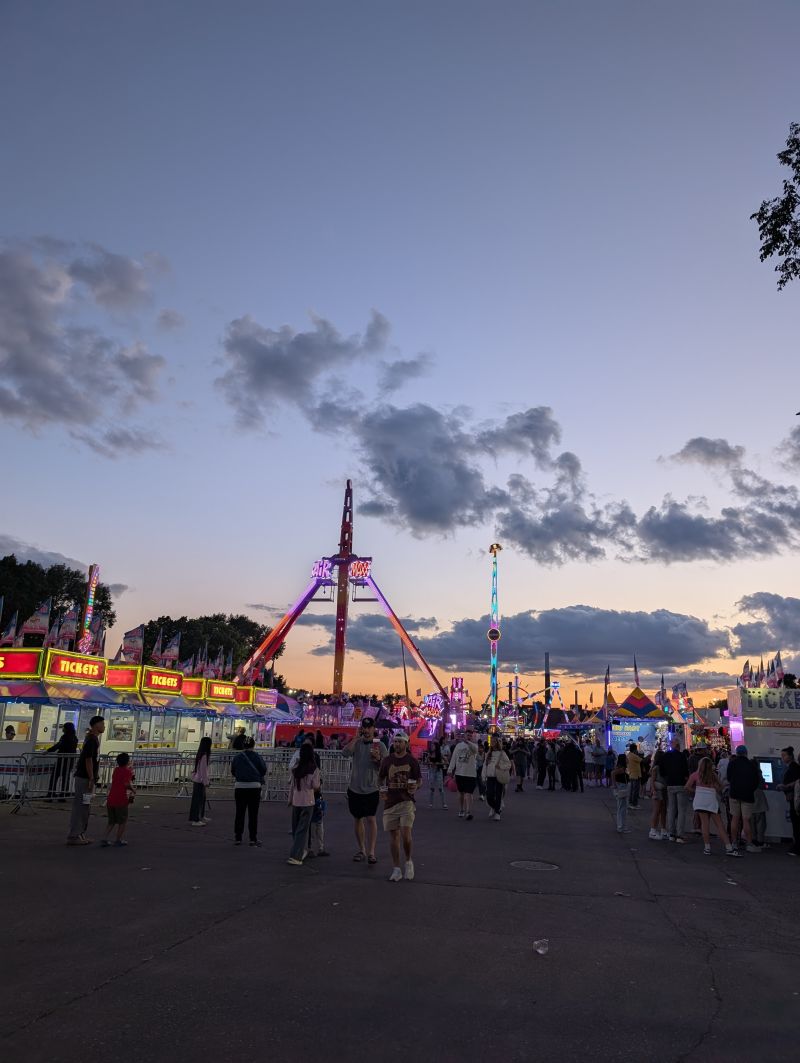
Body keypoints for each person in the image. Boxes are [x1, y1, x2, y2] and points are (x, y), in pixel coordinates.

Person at [342, 717, 387, 865]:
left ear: (374, 729)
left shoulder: (380, 745)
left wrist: (378, 759)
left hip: (372, 788)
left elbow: (386, 768)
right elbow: (345, 753)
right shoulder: (358, 743)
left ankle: (371, 852)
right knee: (358, 819)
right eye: (364, 727)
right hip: (354, 788)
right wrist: (355, 738)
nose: (366, 730)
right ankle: (361, 849)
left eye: (369, 728)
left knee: (371, 819)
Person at [378, 732, 422, 882]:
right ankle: (396, 868)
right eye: (395, 741)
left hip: (406, 801)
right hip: (390, 802)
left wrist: (416, 786)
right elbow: (381, 777)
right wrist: (381, 789)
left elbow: (419, 780)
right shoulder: (387, 760)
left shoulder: (412, 761)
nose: (396, 744)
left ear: (406, 744)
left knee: (405, 835)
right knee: (394, 836)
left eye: (400, 742)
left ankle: (408, 861)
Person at [685, 756, 738, 857]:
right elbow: (721, 787)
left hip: (700, 801)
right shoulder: (713, 775)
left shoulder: (695, 775)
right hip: (711, 801)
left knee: (705, 824)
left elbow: (687, 786)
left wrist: (696, 791)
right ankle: (729, 847)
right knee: (719, 825)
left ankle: (707, 847)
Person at [66, 716, 106, 846]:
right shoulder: (91, 740)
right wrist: (91, 778)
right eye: (102, 724)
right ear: (96, 725)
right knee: (81, 806)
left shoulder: (93, 739)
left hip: (87, 779)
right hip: (84, 779)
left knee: (86, 806)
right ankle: (74, 835)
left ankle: (81, 833)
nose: (104, 726)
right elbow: (88, 760)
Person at [287, 743, 321, 865]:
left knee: (296, 829)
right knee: (302, 829)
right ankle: (297, 856)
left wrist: (290, 799)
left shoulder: (296, 767)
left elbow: (292, 785)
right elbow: (316, 786)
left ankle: (299, 852)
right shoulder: (314, 769)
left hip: (296, 801)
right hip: (308, 801)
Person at [727, 745, 762, 854]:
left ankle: (733, 842)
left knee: (735, 818)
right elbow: (756, 781)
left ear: (737, 753)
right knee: (746, 820)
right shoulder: (751, 764)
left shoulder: (732, 763)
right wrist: (750, 789)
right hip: (747, 795)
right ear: (746, 753)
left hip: (734, 794)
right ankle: (749, 843)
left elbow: (729, 778)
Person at [231, 741, 266, 846]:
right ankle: (252, 838)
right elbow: (263, 770)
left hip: (240, 786)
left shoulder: (237, 757)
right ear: (253, 745)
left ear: (243, 745)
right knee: (253, 814)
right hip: (254, 787)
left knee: (239, 812)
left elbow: (233, 770)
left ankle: (238, 837)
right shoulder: (257, 757)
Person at [102, 752, 136, 848]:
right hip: (121, 799)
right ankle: (118, 839)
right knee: (122, 821)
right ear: (127, 761)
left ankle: (104, 838)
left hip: (111, 798)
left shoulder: (116, 770)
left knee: (111, 821)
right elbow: (126, 784)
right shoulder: (127, 772)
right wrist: (133, 789)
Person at [661, 737, 690, 842]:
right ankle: (680, 834)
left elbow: (662, 771)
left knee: (671, 809)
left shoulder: (666, 756)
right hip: (680, 784)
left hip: (670, 784)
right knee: (681, 810)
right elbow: (686, 771)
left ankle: (671, 833)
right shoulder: (682, 756)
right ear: (678, 745)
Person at [447, 729, 479, 820]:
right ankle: (461, 809)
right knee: (461, 793)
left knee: (469, 793)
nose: (468, 737)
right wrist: (450, 769)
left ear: (472, 736)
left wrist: (468, 743)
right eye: (467, 735)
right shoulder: (458, 746)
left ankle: (468, 812)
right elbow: (454, 758)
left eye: (470, 735)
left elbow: (475, 750)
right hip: (459, 773)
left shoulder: (474, 746)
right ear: (464, 736)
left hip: (471, 774)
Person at [776, 746, 800, 857]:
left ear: (790, 756)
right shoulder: (792, 767)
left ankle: (797, 847)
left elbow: (795, 783)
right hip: (794, 799)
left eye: (784, 755)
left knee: (796, 824)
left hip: (796, 801)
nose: (782, 758)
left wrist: (785, 787)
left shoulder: (794, 768)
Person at [46, 722, 78, 800]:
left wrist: (48, 751)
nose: (62, 729)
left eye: (64, 727)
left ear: (66, 729)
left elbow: (58, 745)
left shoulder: (65, 737)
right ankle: (63, 795)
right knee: (65, 778)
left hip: (62, 760)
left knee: (54, 777)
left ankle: (51, 794)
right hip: (70, 761)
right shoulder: (75, 738)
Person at [483, 735, 512, 821]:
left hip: (499, 776)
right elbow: (485, 765)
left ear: (497, 743)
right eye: (491, 742)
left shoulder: (502, 753)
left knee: (498, 794)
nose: (492, 743)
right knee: (489, 795)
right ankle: (496, 807)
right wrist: (483, 776)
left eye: (494, 741)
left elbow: (508, 764)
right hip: (490, 776)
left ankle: (497, 813)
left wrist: (501, 766)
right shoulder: (488, 753)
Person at [189, 736, 212, 826]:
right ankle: (196, 819)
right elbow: (203, 771)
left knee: (201, 799)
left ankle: (200, 816)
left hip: (198, 780)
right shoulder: (204, 755)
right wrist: (206, 782)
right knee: (198, 800)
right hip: (200, 781)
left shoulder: (200, 754)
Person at [648, 749, 668, 840]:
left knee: (663, 810)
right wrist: (653, 790)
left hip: (663, 790)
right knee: (656, 810)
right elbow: (652, 781)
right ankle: (653, 830)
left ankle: (663, 829)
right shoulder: (656, 768)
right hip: (658, 790)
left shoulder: (661, 767)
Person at [307, 790, 329, 858]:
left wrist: (323, 810)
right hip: (313, 819)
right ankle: (311, 849)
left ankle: (320, 849)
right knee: (312, 835)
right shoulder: (311, 794)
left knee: (320, 834)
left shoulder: (319, 795)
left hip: (319, 818)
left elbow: (323, 804)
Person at [612, 754, 630, 833]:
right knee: (622, 808)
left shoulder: (622, 768)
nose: (627, 759)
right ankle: (621, 827)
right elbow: (613, 773)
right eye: (626, 758)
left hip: (622, 787)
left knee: (622, 808)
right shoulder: (621, 768)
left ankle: (622, 826)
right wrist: (615, 786)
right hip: (622, 787)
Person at [427, 740, 447, 809]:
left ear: (436, 746)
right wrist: (429, 763)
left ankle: (444, 803)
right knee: (431, 788)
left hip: (438, 771)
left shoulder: (439, 754)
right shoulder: (430, 754)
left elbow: (446, 762)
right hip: (432, 771)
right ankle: (430, 804)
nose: (432, 746)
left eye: (433, 745)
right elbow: (426, 761)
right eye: (432, 745)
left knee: (440, 788)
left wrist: (439, 764)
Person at [626, 744, 642, 809]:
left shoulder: (629, 755)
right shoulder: (633, 756)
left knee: (632, 790)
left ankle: (631, 803)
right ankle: (633, 804)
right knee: (635, 791)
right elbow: (642, 760)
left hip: (632, 774)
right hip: (635, 775)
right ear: (635, 749)